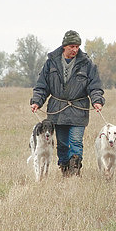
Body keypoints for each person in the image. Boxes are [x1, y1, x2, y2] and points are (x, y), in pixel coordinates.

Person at [30, 30, 105, 177]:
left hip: (78, 109)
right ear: (64, 46)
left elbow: (95, 85)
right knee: (62, 145)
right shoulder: (51, 62)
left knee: (76, 142)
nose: (75, 50)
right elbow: (42, 86)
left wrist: (97, 100)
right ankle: (65, 169)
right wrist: (37, 101)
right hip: (57, 111)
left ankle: (75, 171)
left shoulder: (87, 64)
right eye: (72, 46)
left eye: (77, 46)